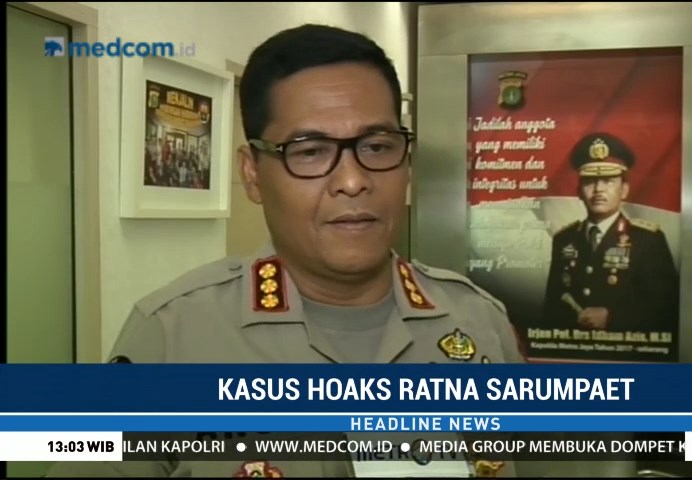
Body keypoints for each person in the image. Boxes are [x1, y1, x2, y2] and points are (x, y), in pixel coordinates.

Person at [46, 24, 524, 478]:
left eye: (377, 146)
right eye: (310, 151)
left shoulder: (479, 321)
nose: (353, 181)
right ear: (252, 174)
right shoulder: (172, 336)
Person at [541, 133, 679, 334]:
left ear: (624, 190)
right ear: (579, 191)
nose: (598, 189)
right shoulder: (564, 239)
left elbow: (667, 309)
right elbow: (551, 310)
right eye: (590, 181)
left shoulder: (648, 240)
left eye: (608, 181)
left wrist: (612, 317)